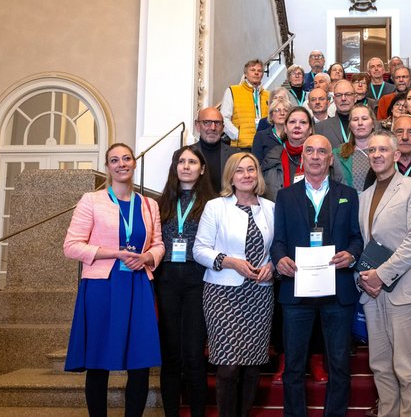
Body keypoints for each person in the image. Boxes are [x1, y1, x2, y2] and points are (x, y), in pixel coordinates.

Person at [63, 143, 165, 417]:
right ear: (108, 167)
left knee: (140, 361)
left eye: (126, 158)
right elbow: (71, 246)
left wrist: (147, 257)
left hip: (138, 285)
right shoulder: (91, 200)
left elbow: (158, 244)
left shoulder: (149, 204)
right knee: (98, 361)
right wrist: (114, 253)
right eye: (115, 160)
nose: (122, 164)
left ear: (134, 163)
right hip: (102, 286)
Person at [271, 134, 364, 417]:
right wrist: (279, 259)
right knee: (294, 366)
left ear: (330, 159)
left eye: (321, 151)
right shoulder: (285, 196)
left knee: (339, 365)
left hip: (337, 291)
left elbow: (357, 238)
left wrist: (351, 255)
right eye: (309, 151)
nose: (314, 156)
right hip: (296, 290)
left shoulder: (348, 194)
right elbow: (278, 241)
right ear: (302, 158)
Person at [358, 130, 411, 417]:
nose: (377, 155)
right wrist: (365, 279)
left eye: (383, 149)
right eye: (372, 150)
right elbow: (364, 244)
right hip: (372, 293)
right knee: (380, 364)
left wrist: (382, 274)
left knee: (406, 365)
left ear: (396, 155)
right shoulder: (365, 196)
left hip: (405, 289)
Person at [193, 152, 276, 417]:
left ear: (258, 174)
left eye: (251, 169)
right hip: (222, 293)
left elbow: (277, 249)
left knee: (253, 365)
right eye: (239, 170)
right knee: (228, 366)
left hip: (259, 294)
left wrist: (272, 266)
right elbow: (199, 250)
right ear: (230, 177)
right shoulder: (216, 207)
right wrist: (230, 262)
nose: (246, 175)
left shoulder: (270, 208)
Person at [156, 146, 216, 417]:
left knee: (193, 354)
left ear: (202, 169)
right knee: (170, 354)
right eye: (181, 161)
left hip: (198, 279)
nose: (186, 166)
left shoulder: (213, 204)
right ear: (175, 167)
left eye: (192, 162)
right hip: (167, 279)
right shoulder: (159, 203)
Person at [262, 107, 315, 201]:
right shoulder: (272, 157)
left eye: (303, 122)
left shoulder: (321, 157)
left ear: (310, 129)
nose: (297, 126)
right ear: (285, 128)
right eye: (292, 122)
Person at [220, 59, 270, 150]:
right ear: (245, 74)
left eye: (259, 71)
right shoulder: (233, 91)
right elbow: (223, 118)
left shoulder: (268, 95)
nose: (256, 73)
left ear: (262, 74)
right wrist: (237, 135)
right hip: (241, 146)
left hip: (264, 146)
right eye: (252, 70)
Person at [188, 107, 237, 194]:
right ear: (197, 126)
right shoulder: (186, 155)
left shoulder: (235, 155)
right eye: (207, 122)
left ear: (223, 128)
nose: (213, 128)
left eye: (217, 123)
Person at [332, 104, 376, 192]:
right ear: (350, 125)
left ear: (373, 124)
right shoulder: (337, 153)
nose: (360, 123)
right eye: (355, 119)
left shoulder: (384, 152)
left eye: (364, 119)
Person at [316, 80, 356, 148]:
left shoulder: (367, 125)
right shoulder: (321, 127)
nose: (343, 99)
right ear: (334, 100)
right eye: (338, 95)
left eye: (348, 94)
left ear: (355, 98)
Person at [252, 97, 291, 163]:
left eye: (286, 110)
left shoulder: (294, 135)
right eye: (277, 110)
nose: (282, 113)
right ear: (271, 115)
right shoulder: (261, 136)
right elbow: (257, 162)